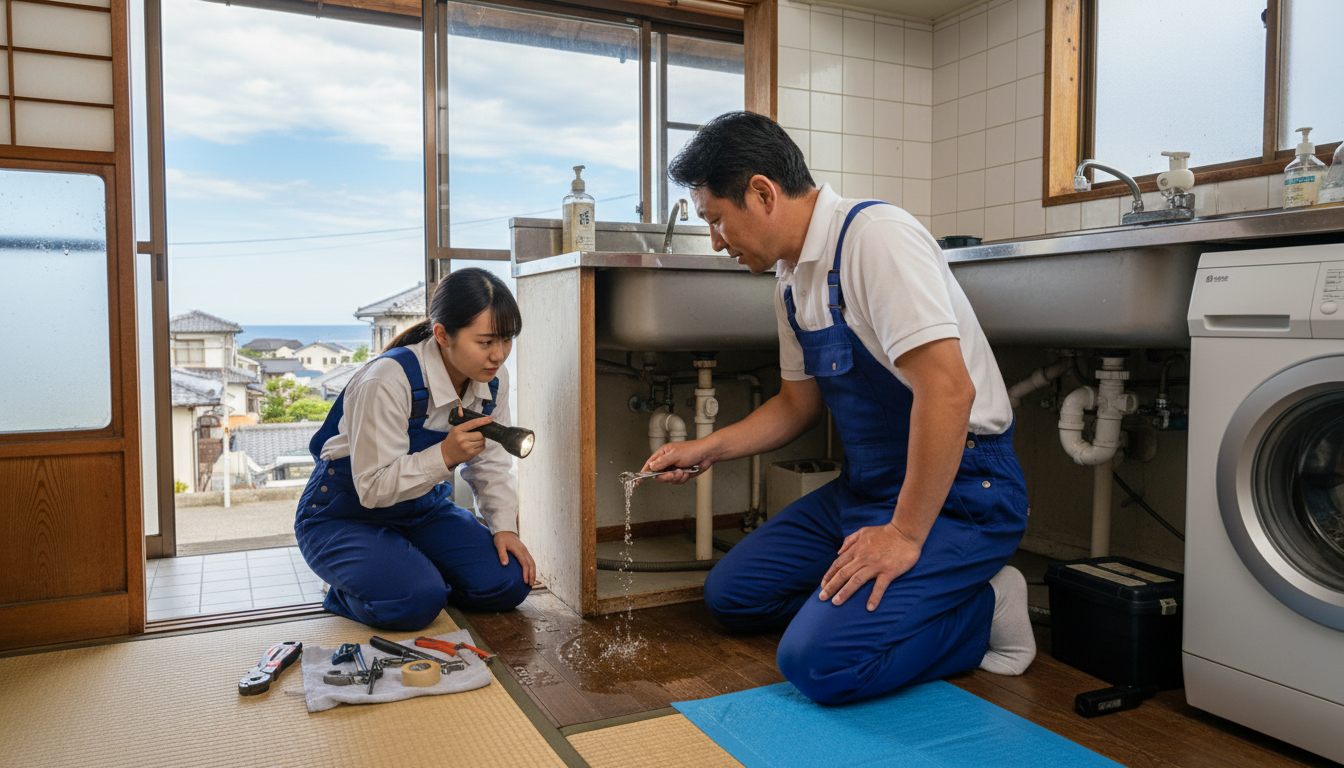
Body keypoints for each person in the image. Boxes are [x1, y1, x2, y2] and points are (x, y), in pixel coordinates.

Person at [642, 112, 1035, 704]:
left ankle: (988, 605)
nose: (718, 243)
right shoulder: (789, 280)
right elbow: (797, 405)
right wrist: (707, 448)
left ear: (762, 192)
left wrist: (902, 534)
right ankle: (881, 603)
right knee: (733, 595)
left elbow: (950, 392)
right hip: (869, 489)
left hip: (963, 493)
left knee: (819, 666)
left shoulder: (875, 237)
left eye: (718, 221)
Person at [295, 268, 534, 630]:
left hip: (423, 511)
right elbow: (372, 487)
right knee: (414, 603)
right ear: (443, 335)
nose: (499, 355)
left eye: (506, 340)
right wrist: (446, 456)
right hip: (345, 515)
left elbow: (492, 464)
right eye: (485, 342)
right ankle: (345, 591)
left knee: (509, 583)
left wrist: (504, 528)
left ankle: (411, 571)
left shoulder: (493, 381)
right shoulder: (388, 379)